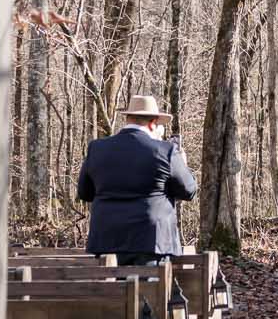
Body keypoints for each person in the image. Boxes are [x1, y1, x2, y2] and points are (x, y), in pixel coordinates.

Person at [76, 95, 196, 264]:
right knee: (151, 290)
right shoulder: (165, 151)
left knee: (111, 289)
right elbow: (189, 191)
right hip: (152, 242)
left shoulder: (97, 148)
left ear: (127, 119)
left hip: (106, 240)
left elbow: (85, 193)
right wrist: (182, 163)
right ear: (153, 122)